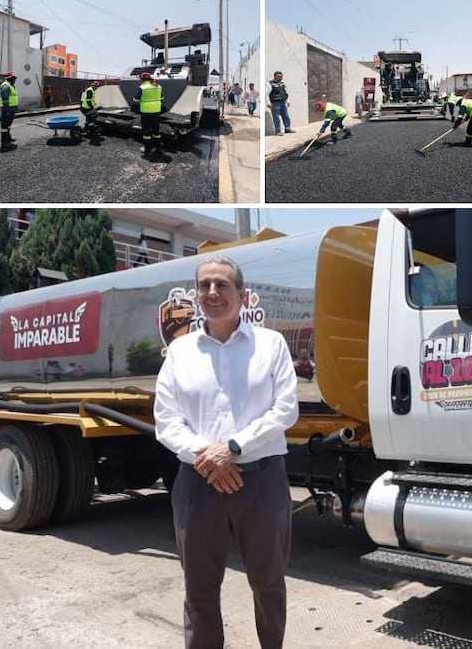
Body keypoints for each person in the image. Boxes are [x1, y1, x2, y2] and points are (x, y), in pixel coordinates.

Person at [154, 256, 298, 649]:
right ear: (196, 295)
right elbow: (166, 420)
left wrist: (234, 448)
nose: (212, 292)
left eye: (222, 284)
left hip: (262, 480)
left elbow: (285, 409)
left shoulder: (270, 345)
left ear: (242, 294)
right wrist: (210, 459)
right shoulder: (180, 352)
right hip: (198, 482)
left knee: (269, 583)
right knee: (199, 587)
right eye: (204, 285)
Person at [133, 72, 164, 157]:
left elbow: (135, 99)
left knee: (146, 131)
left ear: (142, 79)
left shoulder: (142, 88)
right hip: (156, 111)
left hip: (146, 112)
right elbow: (162, 98)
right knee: (156, 131)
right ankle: (159, 148)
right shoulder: (158, 86)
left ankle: (147, 150)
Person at [268, 71, 294, 136]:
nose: (280, 78)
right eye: (279, 77)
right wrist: (268, 102)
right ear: (275, 76)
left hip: (283, 102)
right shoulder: (270, 84)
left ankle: (287, 129)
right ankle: (278, 131)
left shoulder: (282, 83)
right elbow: (266, 93)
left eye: (281, 77)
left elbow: (285, 92)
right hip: (275, 103)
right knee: (276, 117)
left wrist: (287, 101)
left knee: (286, 116)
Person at [0, 71, 19, 152]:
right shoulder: (6, 86)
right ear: (10, 78)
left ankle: (8, 138)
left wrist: (15, 108)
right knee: (5, 126)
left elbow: (12, 98)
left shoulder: (10, 85)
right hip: (7, 109)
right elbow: (5, 99)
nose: (15, 80)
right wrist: (7, 109)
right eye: (14, 78)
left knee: (8, 125)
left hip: (11, 109)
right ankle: (4, 143)